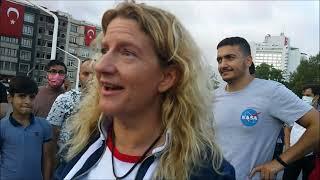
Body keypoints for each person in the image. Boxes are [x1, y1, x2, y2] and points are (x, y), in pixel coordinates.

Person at [54, 2, 235, 180]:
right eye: (104, 50)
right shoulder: (78, 149)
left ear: (167, 77)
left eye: (127, 53)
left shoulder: (207, 172)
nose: (100, 65)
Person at [212, 37, 319, 180]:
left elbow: (317, 124)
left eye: (230, 58)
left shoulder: (272, 92)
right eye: (219, 60)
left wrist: (279, 162)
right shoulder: (211, 97)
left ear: (248, 61)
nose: (223, 64)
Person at [0, 76, 53, 180]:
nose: (27, 101)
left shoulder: (44, 126)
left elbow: (47, 159)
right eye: (22, 96)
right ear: (10, 98)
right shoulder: (2, 127)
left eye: (32, 97)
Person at [47, 58, 95, 163]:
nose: (91, 78)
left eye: (95, 74)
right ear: (79, 75)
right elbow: (52, 136)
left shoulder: (108, 105)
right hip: (65, 162)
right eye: (86, 74)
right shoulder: (65, 99)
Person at [283, 84, 320, 180]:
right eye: (303, 95)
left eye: (308, 95)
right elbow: (287, 128)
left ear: (316, 97)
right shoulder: (296, 110)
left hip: (311, 156)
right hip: (293, 153)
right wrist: (287, 146)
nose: (304, 98)